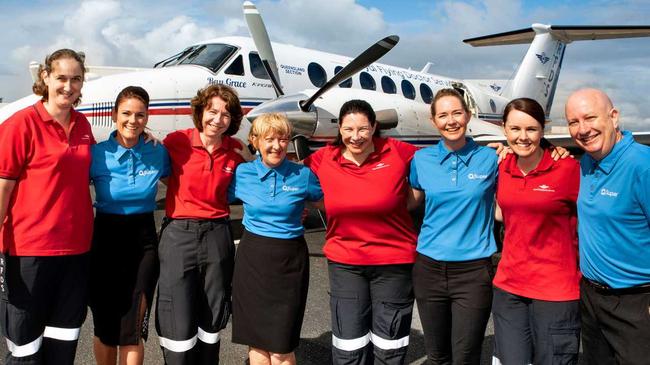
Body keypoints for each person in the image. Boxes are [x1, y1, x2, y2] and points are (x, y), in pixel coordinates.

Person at [303, 99, 418, 365]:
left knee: (390, 344)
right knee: (348, 343)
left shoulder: (398, 151)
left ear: (374, 127)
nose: (356, 137)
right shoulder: (323, 158)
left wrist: (499, 153)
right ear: (339, 129)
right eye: (348, 130)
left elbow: (440, 160)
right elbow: (287, 173)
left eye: (363, 129)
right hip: (346, 264)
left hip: (393, 262)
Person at [0, 49, 94, 364]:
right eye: (61, 78)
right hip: (29, 253)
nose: (68, 86)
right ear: (45, 78)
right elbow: (3, 188)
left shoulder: (83, 125)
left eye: (76, 79)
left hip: (76, 253)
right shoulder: (20, 124)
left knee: (63, 344)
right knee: (26, 350)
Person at [156, 84, 246, 365]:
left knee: (214, 309)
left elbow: (257, 167)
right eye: (212, 111)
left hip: (217, 233)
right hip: (179, 235)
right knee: (177, 308)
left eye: (226, 114)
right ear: (200, 111)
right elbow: (160, 171)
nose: (218, 119)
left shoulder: (234, 151)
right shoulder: (175, 142)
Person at [409, 88, 498, 365]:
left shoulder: (492, 158)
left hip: (473, 272)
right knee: (437, 356)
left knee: (466, 356)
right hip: (429, 268)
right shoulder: (421, 161)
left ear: (468, 116)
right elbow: (409, 204)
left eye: (457, 113)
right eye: (443, 115)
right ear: (433, 121)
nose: (451, 121)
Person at [491, 98, 581, 365]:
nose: (523, 137)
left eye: (531, 129)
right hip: (509, 288)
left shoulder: (568, 169)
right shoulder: (502, 166)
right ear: (504, 129)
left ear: (543, 130)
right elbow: (501, 212)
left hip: (556, 291)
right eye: (515, 129)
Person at [229, 113, 323, 365]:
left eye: (283, 139)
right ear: (255, 141)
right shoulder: (243, 173)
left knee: (282, 348)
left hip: (289, 262)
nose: (277, 145)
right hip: (252, 260)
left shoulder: (302, 175)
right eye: (269, 139)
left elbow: (329, 202)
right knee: (257, 344)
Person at [565, 88, 650, 365]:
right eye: (574, 122)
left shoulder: (642, 165)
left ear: (613, 117)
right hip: (592, 297)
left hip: (636, 302)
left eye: (590, 117)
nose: (583, 129)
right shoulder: (587, 161)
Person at [89, 86, 170, 365]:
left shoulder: (158, 152)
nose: (133, 121)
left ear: (147, 118)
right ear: (114, 115)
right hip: (104, 242)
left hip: (142, 242)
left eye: (140, 115)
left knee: (133, 327)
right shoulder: (97, 154)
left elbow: (184, 186)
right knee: (106, 326)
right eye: (126, 113)